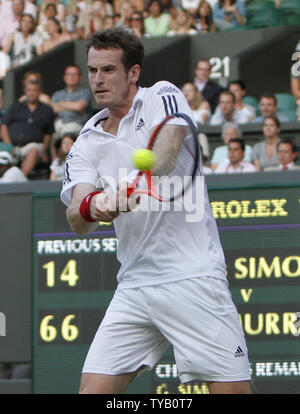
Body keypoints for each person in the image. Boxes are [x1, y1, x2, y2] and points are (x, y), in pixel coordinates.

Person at [60, 28, 251, 395]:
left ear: (133, 73)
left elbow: (165, 153)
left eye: (109, 70)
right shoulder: (86, 139)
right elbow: (76, 218)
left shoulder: (162, 94)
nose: (98, 80)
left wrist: (130, 186)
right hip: (134, 284)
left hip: (192, 275)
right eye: (92, 70)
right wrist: (96, 205)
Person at [0, 82, 55, 176]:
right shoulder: (15, 106)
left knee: (33, 150)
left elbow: (48, 133)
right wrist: (9, 145)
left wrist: (44, 150)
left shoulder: (47, 109)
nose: (31, 93)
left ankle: (20, 179)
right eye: (29, 90)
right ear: (25, 91)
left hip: (33, 146)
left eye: (35, 90)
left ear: (39, 92)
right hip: (13, 146)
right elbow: (4, 125)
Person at [50, 64, 93, 144]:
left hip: (77, 126)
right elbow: (53, 109)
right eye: (69, 74)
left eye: (74, 74)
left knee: (68, 132)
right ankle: (56, 157)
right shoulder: (57, 94)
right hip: (58, 125)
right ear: (64, 77)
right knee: (52, 134)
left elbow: (79, 106)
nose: (71, 77)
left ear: (80, 77)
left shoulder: (85, 93)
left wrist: (60, 103)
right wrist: (73, 106)